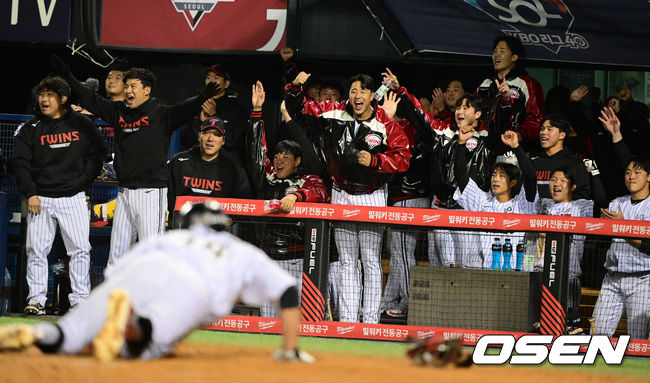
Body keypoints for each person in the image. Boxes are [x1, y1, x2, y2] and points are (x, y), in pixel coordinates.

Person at [0, 201, 315, 363]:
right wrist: (290, 348)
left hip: (143, 268)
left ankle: (39, 331)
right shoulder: (239, 250)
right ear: (222, 225)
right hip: (195, 285)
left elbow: (115, 274)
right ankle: (134, 320)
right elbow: (287, 291)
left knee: (68, 336)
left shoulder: (171, 237)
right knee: (142, 346)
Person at [49, 55, 221, 269]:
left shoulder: (161, 114)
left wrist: (200, 98)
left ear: (147, 90)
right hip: (124, 194)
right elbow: (89, 98)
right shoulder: (118, 111)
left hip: (150, 194)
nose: (128, 90)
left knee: (153, 256)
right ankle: (116, 302)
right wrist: (67, 75)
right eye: (127, 86)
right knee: (116, 258)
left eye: (133, 86)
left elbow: (184, 109)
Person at [285, 71, 410, 324]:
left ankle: (372, 322)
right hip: (341, 193)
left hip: (372, 195)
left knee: (372, 262)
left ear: (371, 96)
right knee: (347, 261)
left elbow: (403, 158)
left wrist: (376, 160)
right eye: (353, 91)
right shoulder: (333, 111)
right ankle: (349, 322)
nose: (357, 96)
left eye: (363, 91)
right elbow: (300, 110)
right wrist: (296, 87)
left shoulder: (385, 123)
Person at [8, 76, 106, 315]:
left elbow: (97, 156)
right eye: (42, 95)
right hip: (40, 198)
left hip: (73, 197)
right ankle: (37, 300)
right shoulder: (30, 128)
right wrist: (30, 193)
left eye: (50, 95)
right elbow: (20, 163)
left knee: (80, 249)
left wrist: (80, 183)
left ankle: (80, 300)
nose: (44, 99)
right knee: (36, 250)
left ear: (63, 99)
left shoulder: (82, 123)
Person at [246, 81, 329, 318]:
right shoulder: (268, 177)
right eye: (277, 155)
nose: (280, 160)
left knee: (298, 320)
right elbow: (255, 151)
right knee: (267, 322)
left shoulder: (307, 180)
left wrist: (296, 194)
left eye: (287, 156)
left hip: (298, 262)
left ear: (297, 162)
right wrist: (256, 113)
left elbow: (319, 191)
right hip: (269, 259)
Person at [535, 165, 606, 333]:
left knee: (568, 321)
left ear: (573, 186)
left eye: (562, 180)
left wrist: (594, 174)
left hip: (568, 275)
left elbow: (602, 201)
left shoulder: (580, 207)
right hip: (541, 273)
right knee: (538, 322)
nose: (556, 184)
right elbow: (529, 192)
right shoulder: (544, 205)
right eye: (553, 180)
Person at [453, 130, 538, 269]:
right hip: (486, 273)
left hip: (516, 273)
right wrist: (461, 144)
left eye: (502, 176)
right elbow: (461, 176)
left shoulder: (522, 205)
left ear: (512, 182)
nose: (495, 179)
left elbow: (530, 178)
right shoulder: (482, 201)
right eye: (494, 175)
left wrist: (516, 147)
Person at [167, 116, 251, 219]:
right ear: (199, 136)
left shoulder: (232, 167)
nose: (210, 139)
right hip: (181, 225)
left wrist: (229, 220)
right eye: (206, 133)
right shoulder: (179, 161)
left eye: (216, 135)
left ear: (223, 140)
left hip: (216, 228)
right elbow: (166, 195)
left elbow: (242, 202)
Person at [477, 35, 545, 152]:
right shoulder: (485, 84)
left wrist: (520, 134)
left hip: (513, 149)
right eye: (495, 51)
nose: (496, 55)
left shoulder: (526, 84)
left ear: (514, 57)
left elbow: (536, 118)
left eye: (502, 51)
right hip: (483, 148)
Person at [178, 64, 248, 155]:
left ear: (226, 84)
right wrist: (200, 122)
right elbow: (185, 139)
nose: (211, 81)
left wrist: (213, 116)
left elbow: (232, 141)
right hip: (197, 162)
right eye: (208, 78)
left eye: (216, 78)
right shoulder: (197, 104)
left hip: (224, 163)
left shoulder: (235, 110)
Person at [531, 114, 592, 200]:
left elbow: (583, 194)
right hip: (531, 213)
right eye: (542, 129)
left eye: (549, 129)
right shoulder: (533, 161)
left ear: (562, 135)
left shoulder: (574, 163)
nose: (543, 132)